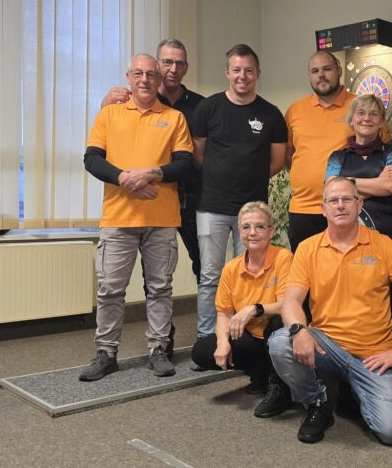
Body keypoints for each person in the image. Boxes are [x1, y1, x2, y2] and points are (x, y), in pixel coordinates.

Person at [268, 177, 392, 445]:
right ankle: (318, 402)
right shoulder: (308, 248)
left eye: (347, 199)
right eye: (333, 200)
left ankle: (360, 390)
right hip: (327, 347)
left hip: (372, 356)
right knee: (280, 342)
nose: (340, 205)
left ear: (359, 204)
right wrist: (299, 331)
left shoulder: (383, 245)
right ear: (323, 208)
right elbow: (292, 300)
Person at [79, 53, 194, 381]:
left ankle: (158, 350)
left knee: (159, 288)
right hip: (118, 219)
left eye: (151, 74)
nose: (145, 80)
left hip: (161, 220)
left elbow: (184, 163)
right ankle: (106, 353)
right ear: (128, 77)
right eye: (138, 74)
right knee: (110, 290)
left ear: (159, 80)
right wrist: (125, 179)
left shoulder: (174, 118)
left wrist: (151, 174)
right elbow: (92, 159)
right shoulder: (109, 114)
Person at [100, 38, 205, 359]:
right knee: (137, 283)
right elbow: (101, 152)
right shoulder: (122, 103)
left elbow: (191, 159)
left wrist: (151, 174)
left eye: (179, 63)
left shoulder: (198, 107)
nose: (173, 68)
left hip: (190, 199)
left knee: (199, 270)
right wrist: (129, 179)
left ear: (185, 68)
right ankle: (158, 344)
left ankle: (207, 339)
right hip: (140, 204)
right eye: (167, 62)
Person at [190, 44, 288, 342]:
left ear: (257, 73)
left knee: (250, 277)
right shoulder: (208, 108)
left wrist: (249, 177)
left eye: (248, 70)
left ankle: (242, 337)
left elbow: (277, 161)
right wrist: (222, 176)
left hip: (252, 211)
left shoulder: (270, 114)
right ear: (227, 72)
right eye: (236, 70)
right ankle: (208, 336)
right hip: (212, 207)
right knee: (210, 276)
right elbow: (198, 154)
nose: (242, 76)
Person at [190, 202, 294, 418]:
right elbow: (224, 313)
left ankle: (279, 387)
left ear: (271, 231)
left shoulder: (283, 257)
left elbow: (287, 304)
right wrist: (222, 343)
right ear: (240, 232)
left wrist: (253, 309)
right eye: (246, 227)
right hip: (251, 337)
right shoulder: (231, 268)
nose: (252, 232)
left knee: (278, 321)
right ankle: (259, 370)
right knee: (202, 351)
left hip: (276, 334)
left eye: (260, 226)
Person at [284, 51, 390, 251]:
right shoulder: (295, 110)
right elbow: (289, 156)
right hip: (303, 209)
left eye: (327, 69)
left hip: (346, 208)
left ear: (339, 71)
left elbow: (381, 150)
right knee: (305, 268)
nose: (321, 75)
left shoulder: (361, 108)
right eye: (315, 71)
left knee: (349, 267)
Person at [324, 94, 392, 241]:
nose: (367, 118)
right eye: (361, 113)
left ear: (381, 122)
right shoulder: (337, 157)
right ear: (351, 119)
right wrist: (378, 183)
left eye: (374, 114)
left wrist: (345, 185)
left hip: (388, 237)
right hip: (347, 238)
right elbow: (331, 190)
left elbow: (391, 185)